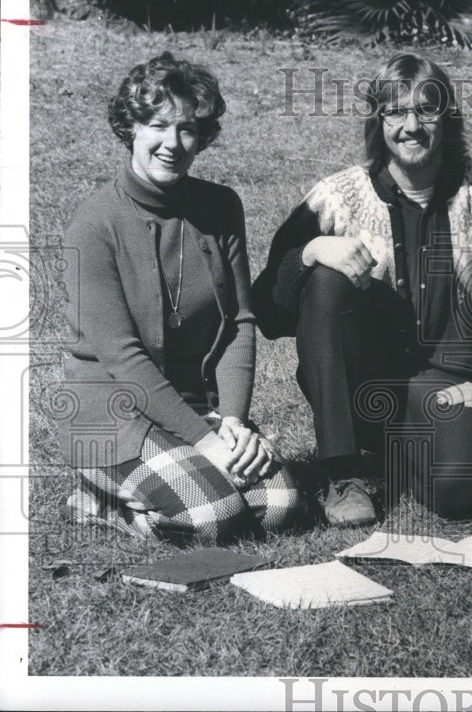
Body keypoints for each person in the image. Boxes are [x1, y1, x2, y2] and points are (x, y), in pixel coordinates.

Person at [252, 53, 472, 526]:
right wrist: (310, 252)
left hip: (455, 392)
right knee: (325, 279)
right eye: (395, 112)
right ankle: (344, 472)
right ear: (378, 120)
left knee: (458, 497)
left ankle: (406, 455)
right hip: (364, 392)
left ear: (447, 117)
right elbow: (267, 311)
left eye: (426, 110)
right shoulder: (337, 198)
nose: (411, 126)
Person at [58, 52, 306, 544]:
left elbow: (240, 323)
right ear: (131, 128)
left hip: (194, 408)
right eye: (157, 125)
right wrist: (207, 444)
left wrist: (231, 424)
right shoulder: (93, 225)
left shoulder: (220, 206)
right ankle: (102, 502)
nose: (172, 143)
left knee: (279, 507)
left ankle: (172, 479)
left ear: (203, 135)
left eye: (187, 128)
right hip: (112, 416)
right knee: (214, 515)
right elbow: (124, 358)